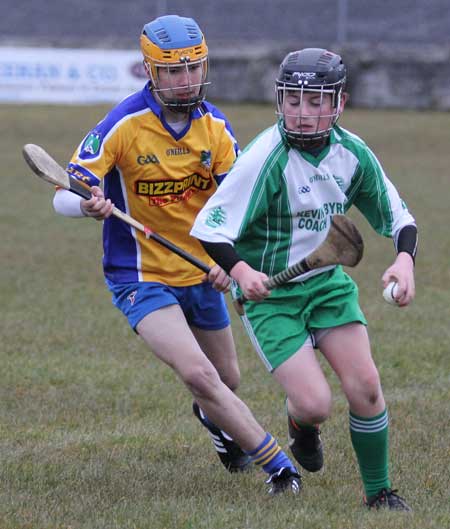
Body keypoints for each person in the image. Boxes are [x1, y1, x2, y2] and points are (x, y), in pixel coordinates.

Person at [52, 15, 301, 495]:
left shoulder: (215, 128)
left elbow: (237, 209)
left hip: (200, 270)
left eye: (193, 68)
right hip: (140, 276)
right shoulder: (123, 124)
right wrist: (86, 205)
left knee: (227, 380)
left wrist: (227, 263)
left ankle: (216, 423)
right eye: (173, 71)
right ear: (151, 71)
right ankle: (278, 467)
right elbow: (61, 195)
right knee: (200, 374)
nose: (186, 80)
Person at [191, 48, 417, 510]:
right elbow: (209, 228)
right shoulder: (263, 158)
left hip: (327, 285)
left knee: (366, 387)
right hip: (271, 297)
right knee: (315, 404)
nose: (303, 112)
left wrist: (404, 261)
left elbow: (398, 216)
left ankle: (379, 495)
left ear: (339, 103)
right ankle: (303, 428)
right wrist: (240, 271)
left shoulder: (351, 153)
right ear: (280, 100)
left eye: (316, 102)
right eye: (293, 100)